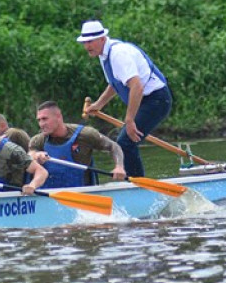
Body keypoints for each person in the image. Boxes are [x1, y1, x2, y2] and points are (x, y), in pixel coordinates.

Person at [77, 20, 173, 178]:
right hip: (146, 100)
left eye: (90, 41)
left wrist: (129, 120)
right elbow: (115, 84)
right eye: (84, 42)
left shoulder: (118, 55)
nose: (87, 46)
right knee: (125, 142)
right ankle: (135, 184)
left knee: (125, 143)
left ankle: (138, 186)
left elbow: (137, 86)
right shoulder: (104, 54)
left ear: (102, 38)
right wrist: (98, 105)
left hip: (157, 99)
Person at [29, 101, 126, 188]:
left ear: (58, 117)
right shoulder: (38, 140)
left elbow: (114, 146)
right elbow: (29, 156)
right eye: (39, 120)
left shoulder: (85, 135)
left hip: (82, 193)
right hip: (49, 194)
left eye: (45, 119)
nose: (41, 124)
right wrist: (36, 155)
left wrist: (119, 166)